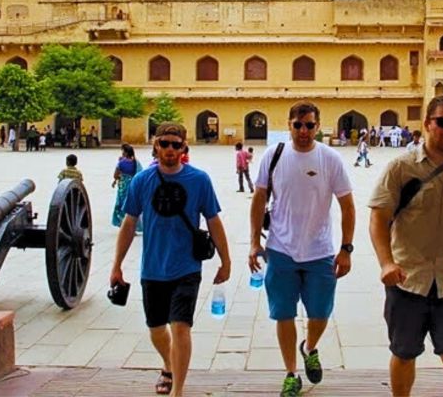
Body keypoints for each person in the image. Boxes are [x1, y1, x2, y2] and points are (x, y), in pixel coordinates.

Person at [369, 95, 443, 397]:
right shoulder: (401, 168)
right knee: (404, 353)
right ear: (427, 124)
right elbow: (378, 219)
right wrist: (386, 263)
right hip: (408, 279)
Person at [111, 122, 231, 397]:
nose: (169, 149)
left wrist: (226, 261)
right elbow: (129, 224)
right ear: (155, 146)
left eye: (175, 145)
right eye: (164, 143)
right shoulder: (143, 181)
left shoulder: (199, 180)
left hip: (186, 266)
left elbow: (213, 220)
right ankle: (168, 364)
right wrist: (116, 265)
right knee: (155, 329)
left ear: (184, 148)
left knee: (180, 326)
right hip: (153, 267)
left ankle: (178, 390)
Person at [248, 101, 355, 397]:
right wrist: (255, 242)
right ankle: (291, 372)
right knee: (283, 314)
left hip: (320, 251)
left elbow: (347, 206)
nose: (304, 131)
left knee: (319, 313)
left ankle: (309, 347)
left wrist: (346, 249)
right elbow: (259, 200)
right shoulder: (274, 155)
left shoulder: (330, 159)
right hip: (280, 249)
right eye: (298, 125)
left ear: (318, 127)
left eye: (309, 125)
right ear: (289, 125)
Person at [112, 143, 142, 228]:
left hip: (123, 186)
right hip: (132, 185)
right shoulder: (136, 162)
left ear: (125, 153)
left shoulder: (121, 163)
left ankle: (123, 224)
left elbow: (115, 175)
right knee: (131, 205)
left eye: (123, 151)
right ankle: (133, 226)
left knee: (121, 204)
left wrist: (117, 178)